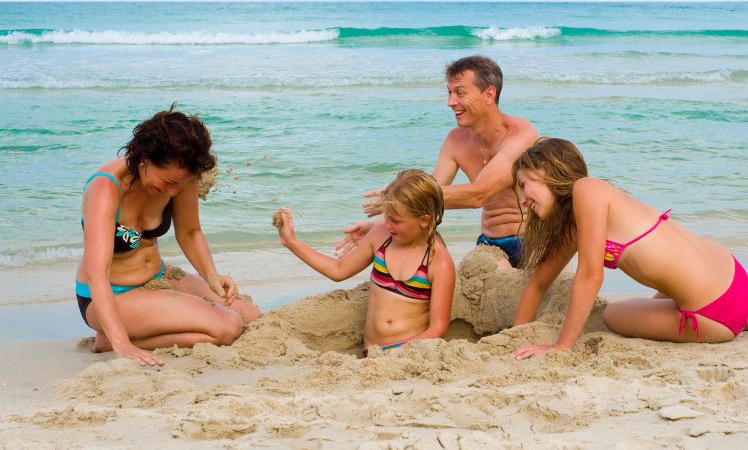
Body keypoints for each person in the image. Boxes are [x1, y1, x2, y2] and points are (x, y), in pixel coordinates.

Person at [508, 138, 748, 359]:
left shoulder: (587, 189)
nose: (522, 200)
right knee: (660, 294)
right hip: (732, 276)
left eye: (523, 185)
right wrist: (517, 334)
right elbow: (539, 283)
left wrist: (561, 346)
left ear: (545, 170)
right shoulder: (582, 217)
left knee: (613, 315)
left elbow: (590, 276)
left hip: (714, 316)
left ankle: (747, 316)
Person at [76, 105, 260, 366]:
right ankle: (110, 338)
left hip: (157, 277)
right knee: (228, 326)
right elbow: (97, 273)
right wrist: (122, 344)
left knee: (249, 315)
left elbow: (190, 231)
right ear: (145, 159)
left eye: (180, 184)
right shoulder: (106, 188)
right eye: (168, 182)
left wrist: (211, 275)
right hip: (109, 294)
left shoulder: (182, 175)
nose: (173, 193)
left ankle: (135, 331)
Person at [337, 55, 539, 267]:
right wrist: (381, 224)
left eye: (459, 93)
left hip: (530, 240)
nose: (450, 102)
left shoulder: (521, 134)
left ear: (489, 94)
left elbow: (480, 193)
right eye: (449, 93)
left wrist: (402, 195)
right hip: (490, 243)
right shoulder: (455, 140)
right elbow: (431, 195)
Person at [277, 170, 455, 355]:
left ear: (424, 220)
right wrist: (292, 243)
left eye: (395, 220)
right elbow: (338, 270)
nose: (386, 224)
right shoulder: (381, 237)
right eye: (386, 217)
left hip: (407, 355)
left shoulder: (438, 262)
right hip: (372, 352)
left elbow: (437, 328)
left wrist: (399, 353)